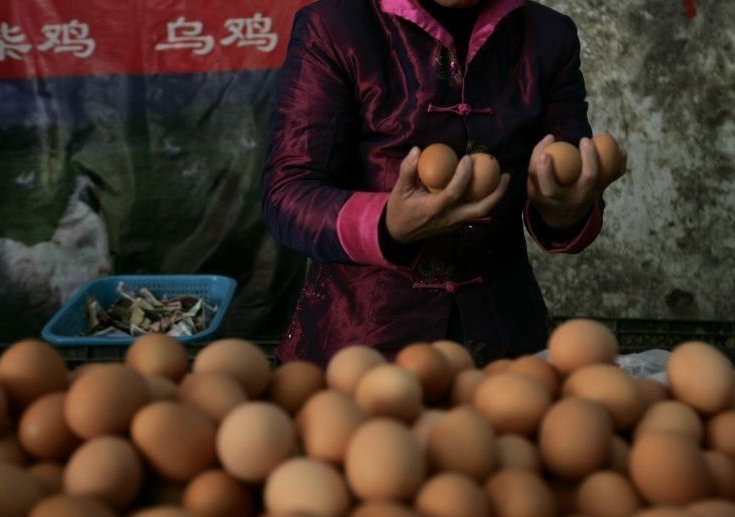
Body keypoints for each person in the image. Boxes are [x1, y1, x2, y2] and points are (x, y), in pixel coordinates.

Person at [261, 0, 627, 367]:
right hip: (360, 352)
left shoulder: (548, 35)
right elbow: (288, 194)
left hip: (505, 348)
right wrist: (387, 224)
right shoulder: (337, 25)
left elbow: (571, 171)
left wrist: (565, 211)